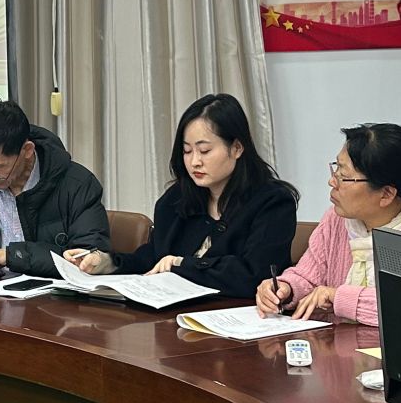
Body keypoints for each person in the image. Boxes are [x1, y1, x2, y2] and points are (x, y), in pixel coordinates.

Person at [67, 94, 295, 300]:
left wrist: (181, 264)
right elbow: (153, 258)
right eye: (187, 151)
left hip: (236, 320)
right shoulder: (176, 199)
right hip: (173, 319)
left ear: (236, 148)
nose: (194, 161)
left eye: (204, 151)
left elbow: (254, 275)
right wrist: (107, 262)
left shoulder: (273, 202)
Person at [258, 122, 401, 326]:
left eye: (343, 176)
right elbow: (308, 276)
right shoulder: (337, 218)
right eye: (336, 169)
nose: (332, 181)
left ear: (386, 194)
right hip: (338, 346)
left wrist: (339, 297)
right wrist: (286, 288)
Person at [0, 98, 111, 275]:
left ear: (27, 151)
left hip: (52, 292)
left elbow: (87, 258)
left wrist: (12, 255)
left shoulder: (77, 185)